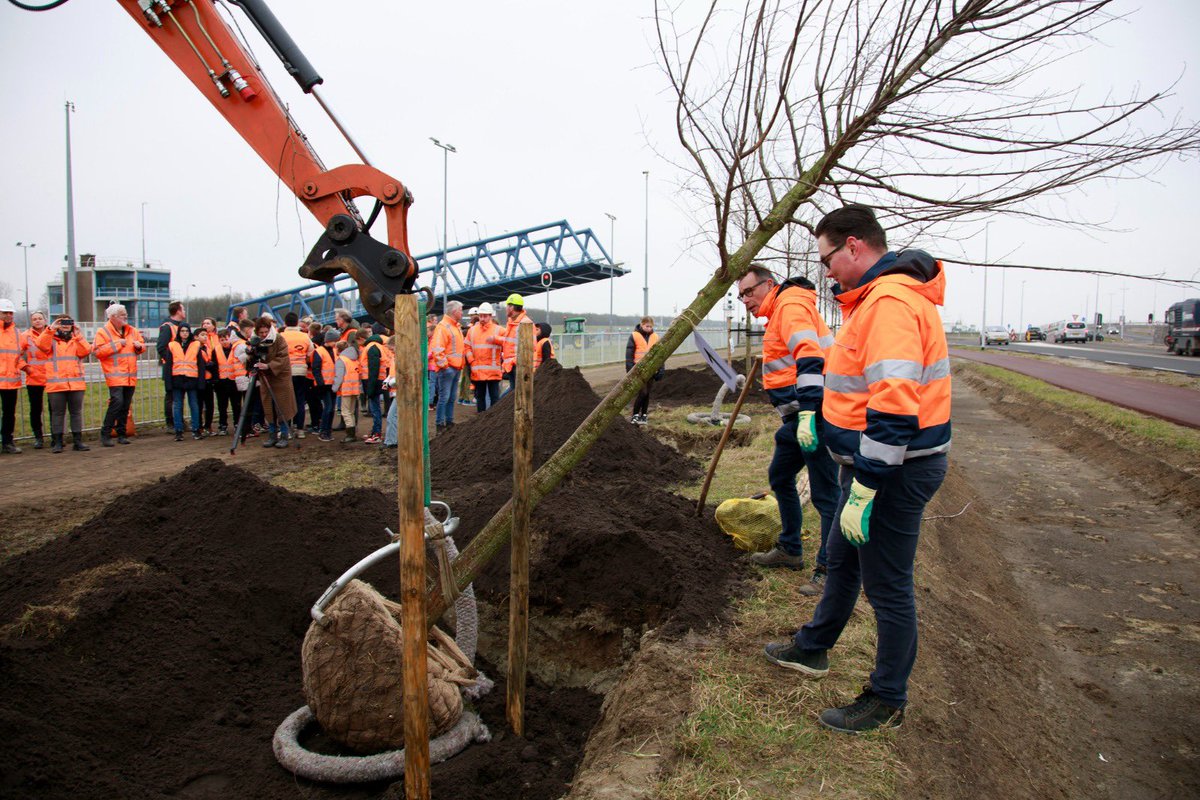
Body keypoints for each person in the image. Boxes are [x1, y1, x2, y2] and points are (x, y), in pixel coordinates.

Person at [762, 205, 951, 735]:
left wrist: (867, 483)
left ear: (853, 246)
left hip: (894, 471)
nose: (825, 271)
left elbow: (894, 402)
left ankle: (887, 699)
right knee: (842, 560)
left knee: (888, 586)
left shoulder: (889, 303)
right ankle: (813, 647)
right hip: (868, 465)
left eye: (827, 259)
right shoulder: (872, 301)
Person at [736, 265, 840, 594]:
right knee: (781, 476)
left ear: (770, 284)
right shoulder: (779, 312)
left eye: (749, 292)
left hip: (816, 415)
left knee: (826, 494)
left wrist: (809, 412)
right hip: (796, 419)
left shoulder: (791, 306)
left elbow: (810, 356)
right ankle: (790, 549)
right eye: (740, 295)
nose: (745, 300)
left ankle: (829, 570)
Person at [92, 304, 146, 447]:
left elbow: (142, 344)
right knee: (117, 402)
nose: (125, 316)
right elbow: (98, 352)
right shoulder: (102, 332)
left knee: (126, 404)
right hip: (115, 375)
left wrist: (139, 347)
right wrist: (116, 344)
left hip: (130, 375)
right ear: (113, 317)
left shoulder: (132, 330)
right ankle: (106, 433)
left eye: (125, 313)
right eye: (122, 314)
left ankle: (122, 433)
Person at [37, 315, 92, 453]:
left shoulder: (76, 340)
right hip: (56, 384)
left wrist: (79, 335)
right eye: (62, 323)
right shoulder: (51, 340)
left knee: (76, 413)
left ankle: (78, 441)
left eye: (68, 322)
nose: (65, 325)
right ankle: (58, 442)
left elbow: (85, 351)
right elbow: (41, 345)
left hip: (76, 383)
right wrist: (50, 329)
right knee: (58, 413)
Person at [248, 316, 297, 448]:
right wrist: (251, 356)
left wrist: (269, 365)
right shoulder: (255, 341)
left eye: (265, 332)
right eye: (261, 333)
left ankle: (285, 435)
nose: (264, 335)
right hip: (265, 378)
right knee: (269, 408)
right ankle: (272, 434)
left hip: (280, 377)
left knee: (283, 407)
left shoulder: (279, 339)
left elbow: (284, 358)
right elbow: (251, 359)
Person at [165, 322, 206, 441]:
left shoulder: (195, 345)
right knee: (177, 405)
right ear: (179, 332)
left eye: (187, 331)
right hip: (177, 379)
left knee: (194, 404)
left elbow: (200, 365)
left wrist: (201, 382)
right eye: (182, 331)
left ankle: (196, 429)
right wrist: (168, 384)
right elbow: (168, 366)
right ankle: (178, 431)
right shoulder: (172, 345)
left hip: (192, 379)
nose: (185, 333)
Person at [429, 301, 465, 431]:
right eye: (461, 310)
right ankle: (440, 423)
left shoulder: (454, 326)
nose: (462, 312)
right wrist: (445, 366)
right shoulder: (443, 327)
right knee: (444, 397)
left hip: (455, 367)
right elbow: (437, 349)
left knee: (451, 397)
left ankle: (449, 421)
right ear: (454, 312)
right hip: (449, 369)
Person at [463, 301, 503, 412]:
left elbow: (508, 342)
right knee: (480, 398)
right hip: (478, 371)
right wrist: (472, 361)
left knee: (494, 398)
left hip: (493, 372)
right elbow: (466, 346)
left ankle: (494, 420)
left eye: (485, 316)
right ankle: (481, 420)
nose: (482, 318)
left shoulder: (498, 330)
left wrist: (496, 339)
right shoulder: (472, 330)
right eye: (480, 316)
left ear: (491, 316)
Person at [19, 310, 50, 450]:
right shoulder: (25, 336)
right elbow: (16, 355)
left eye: (40, 318)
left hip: (51, 377)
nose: (37, 321)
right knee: (36, 409)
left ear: (45, 320)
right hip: (34, 377)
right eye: (34, 319)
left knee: (55, 408)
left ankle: (57, 435)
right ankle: (38, 437)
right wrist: (25, 367)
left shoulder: (52, 334)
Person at [280, 312, 314, 439]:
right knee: (300, 400)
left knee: (286, 401)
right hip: (301, 371)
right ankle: (300, 429)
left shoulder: (281, 336)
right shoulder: (305, 337)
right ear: (297, 323)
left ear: (285, 323)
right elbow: (311, 354)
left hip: (285, 372)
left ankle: (287, 429)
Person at [625, 316, 663, 425]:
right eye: (647, 326)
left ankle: (644, 416)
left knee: (647, 393)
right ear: (642, 325)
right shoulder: (634, 336)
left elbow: (660, 355)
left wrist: (661, 368)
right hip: (638, 370)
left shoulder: (655, 337)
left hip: (651, 369)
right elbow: (629, 355)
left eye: (651, 326)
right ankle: (635, 415)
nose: (649, 328)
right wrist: (630, 370)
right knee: (643, 392)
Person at [156, 301, 187, 428]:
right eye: (183, 309)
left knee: (180, 397)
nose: (185, 312)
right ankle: (171, 423)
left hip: (183, 368)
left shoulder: (181, 326)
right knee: (171, 396)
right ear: (178, 311)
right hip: (171, 368)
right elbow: (161, 347)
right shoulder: (167, 327)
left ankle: (179, 421)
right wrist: (171, 361)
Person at [0, 298, 25, 454]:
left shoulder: (17, 333)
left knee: (9, 414)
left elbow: (19, 355)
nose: (8, 316)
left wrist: (26, 367)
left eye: (10, 313)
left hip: (10, 381)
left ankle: (7, 442)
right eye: (5, 313)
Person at [358, 322, 389, 443]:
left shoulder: (372, 347)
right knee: (375, 407)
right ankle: (375, 432)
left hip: (374, 382)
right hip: (377, 380)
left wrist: (370, 387)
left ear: (360, 339)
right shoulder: (376, 345)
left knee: (375, 408)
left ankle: (376, 434)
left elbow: (373, 368)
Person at [210, 328, 244, 435]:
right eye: (222, 340)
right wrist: (215, 381)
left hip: (233, 381)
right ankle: (222, 425)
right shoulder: (215, 350)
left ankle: (237, 424)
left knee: (236, 405)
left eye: (226, 339)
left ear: (230, 338)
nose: (224, 342)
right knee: (222, 406)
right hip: (221, 382)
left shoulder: (235, 349)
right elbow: (215, 366)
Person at [499, 293, 531, 394]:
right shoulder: (511, 322)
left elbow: (530, 347)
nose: (506, 308)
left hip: (518, 365)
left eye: (507, 305)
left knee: (517, 393)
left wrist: (514, 361)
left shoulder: (525, 323)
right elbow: (508, 341)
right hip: (511, 365)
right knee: (514, 392)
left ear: (511, 307)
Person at [333, 339, 361, 443]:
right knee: (351, 412)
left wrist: (334, 388)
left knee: (345, 412)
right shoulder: (354, 359)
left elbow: (339, 376)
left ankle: (350, 434)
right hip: (355, 388)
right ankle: (352, 433)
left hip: (345, 389)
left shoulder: (341, 360)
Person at [313, 330, 339, 441]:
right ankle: (323, 431)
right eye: (335, 341)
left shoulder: (334, 350)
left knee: (331, 409)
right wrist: (320, 384)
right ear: (329, 340)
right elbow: (316, 369)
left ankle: (327, 431)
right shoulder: (319, 351)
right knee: (328, 408)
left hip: (333, 384)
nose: (336, 343)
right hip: (324, 385)